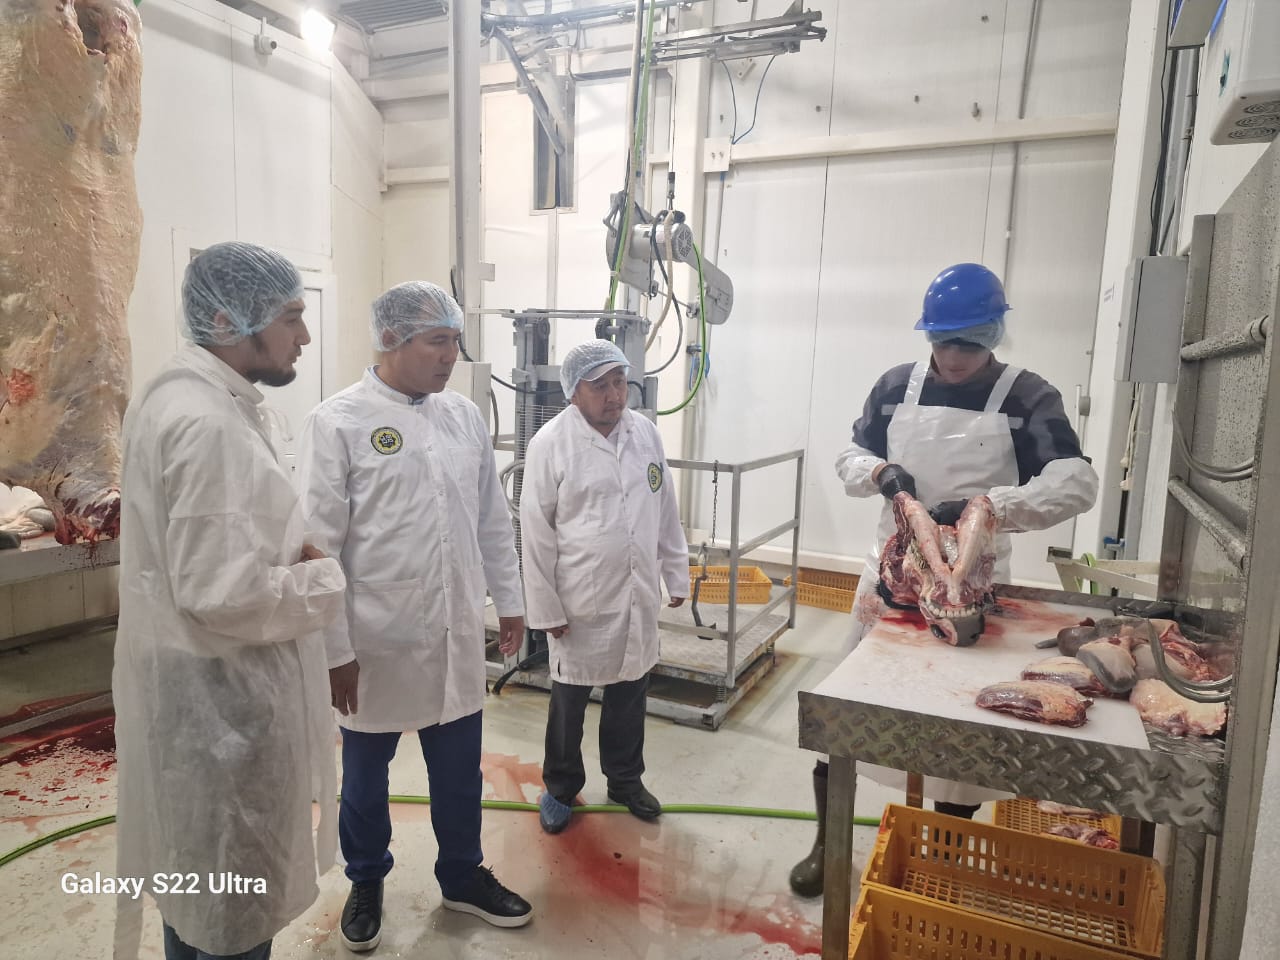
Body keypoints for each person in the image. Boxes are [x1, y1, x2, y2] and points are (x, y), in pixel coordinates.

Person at [788, 262, 1098, 897]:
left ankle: (941, 864)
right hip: (889, 584)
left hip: (970, 590)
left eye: (969, 343)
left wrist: (992, 507)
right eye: (943, 342)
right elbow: (851, 454)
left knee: (961, 741)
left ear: (994, 336)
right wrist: (881, 475)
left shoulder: (1025, 396)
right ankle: (826, 846)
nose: (954, 357)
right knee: (845, 717)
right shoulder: (894, 386)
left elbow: (1076, 481)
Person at [112, 242, 348, 960]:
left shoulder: (181, 398)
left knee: (199, 897)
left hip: (197, 699)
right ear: (226, 320)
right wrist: (323, 579)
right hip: (224, 711)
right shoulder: (209, 422)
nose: (304, 337)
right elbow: (222, 594)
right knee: (229, 909)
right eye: (290, 318)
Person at [296, 281, 531, 953]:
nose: (451, 355)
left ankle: (461, 875)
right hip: (374, 640)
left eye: (455, 341)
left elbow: (491, 520)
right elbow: (317, 547)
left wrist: (510, 601)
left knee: (458, 772)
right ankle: (366, 880)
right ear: (391, 340)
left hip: (455, 632)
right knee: (365, 780)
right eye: (437, 341)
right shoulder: (337, 422)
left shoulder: (463, 416)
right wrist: (334, 650)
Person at [519, 339, 689, 835]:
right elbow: (536, 531)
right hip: (579, 598)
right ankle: (560, 787)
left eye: (620, 382)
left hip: (636, 592)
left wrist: (675, 572)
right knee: (569, 702)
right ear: (573, 392)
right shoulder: (551, 443)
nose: (615, 395)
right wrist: (544, 607)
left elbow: (665, 507)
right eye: (600, 386)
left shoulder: (645, 434)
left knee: (630, 692)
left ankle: (625, 781)